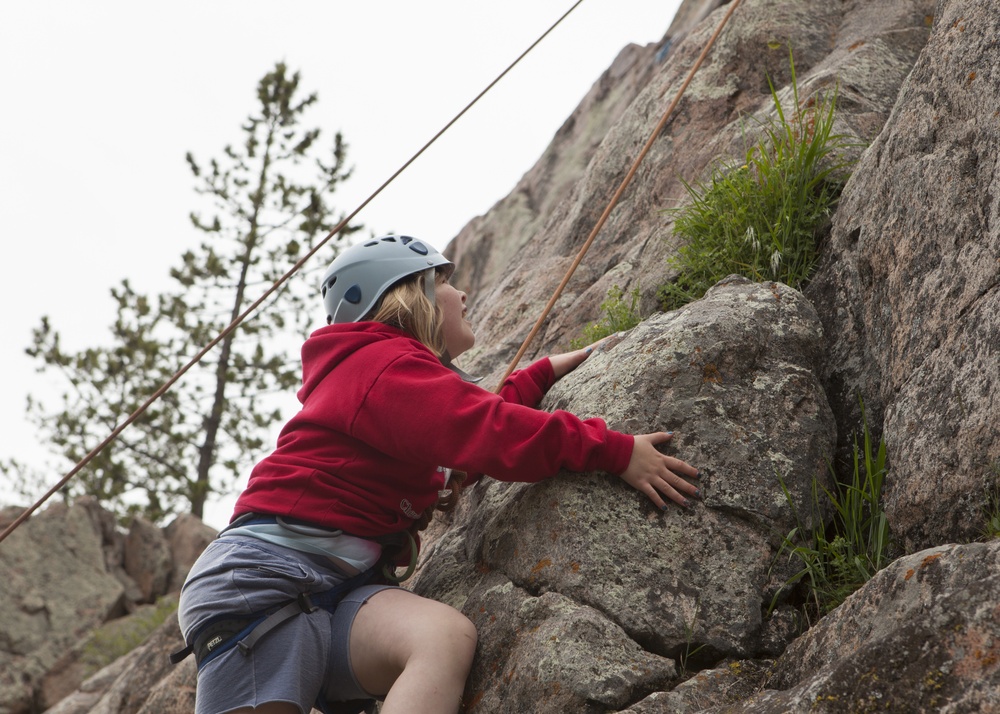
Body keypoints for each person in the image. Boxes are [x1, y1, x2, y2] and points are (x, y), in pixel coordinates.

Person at [176, 235, 700, 714]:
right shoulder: (379, 366)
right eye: (445, 280)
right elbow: (487, 432)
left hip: (326, 593)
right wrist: (613, 450)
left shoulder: (390, 379)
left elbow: (460, 444)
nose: (464, 292)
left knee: (442, 637)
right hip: (262, 585)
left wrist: (538, 375)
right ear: (410, 295)